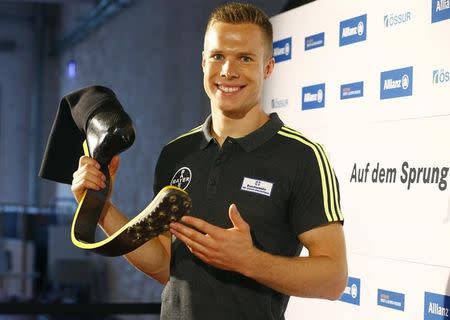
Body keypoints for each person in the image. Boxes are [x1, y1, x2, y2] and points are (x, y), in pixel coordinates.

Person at [71, 2, 347, 319]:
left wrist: (249, 260)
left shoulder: (302, 156)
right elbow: (166, 266)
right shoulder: (175, 154)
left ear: (268, 67)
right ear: (204, 62)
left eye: (244, 57)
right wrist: (100, 207)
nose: (228, 71)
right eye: (218, 56)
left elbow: (334, 278)